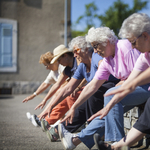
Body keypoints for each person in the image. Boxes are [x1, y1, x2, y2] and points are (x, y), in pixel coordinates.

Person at [57, 26, 150, 150]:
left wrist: (123, 84)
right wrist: (73, 107)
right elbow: (92, 86)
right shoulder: (107, 61)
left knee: (110, 94)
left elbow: (137, 77)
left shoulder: (125, 47)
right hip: (129, 90)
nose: (94, 51)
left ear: (106, 42)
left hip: (144, 86)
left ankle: (114, 142)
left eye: (95, 46)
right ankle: (76, 140)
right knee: (109, 107)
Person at [39, 36, 120, 146]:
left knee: (91, 94)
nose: (75, 55)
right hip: (97, 88)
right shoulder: (82, 66)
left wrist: (73, 106)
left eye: (76, 51)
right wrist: (49, 106)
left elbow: (103, 70)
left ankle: (95, 133)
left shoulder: (96, 57)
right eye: (73, 52)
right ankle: (63, 128)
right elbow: (67, 88)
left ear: (86, 49)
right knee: (83, 102)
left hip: (113, 85)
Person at [93, 12, 150, 150]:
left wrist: (130, 85)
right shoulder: (144, 57)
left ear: (145, 35)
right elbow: (129, 83)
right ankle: (117, 146)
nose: (132, 47)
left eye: (133, 42)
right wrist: (109, 105)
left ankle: (117, 146)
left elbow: (133, 83)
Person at [22, 45, 85, 138]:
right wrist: (45, 100)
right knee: (63, 98)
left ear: (66, 55)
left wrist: (78, 86)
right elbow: (57, 84)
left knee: (69, 95)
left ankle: (76, 122)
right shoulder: (67, 68)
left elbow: (86, 76)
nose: (58, 63)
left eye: (59, 60)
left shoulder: (78, 61)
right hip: (79, 89)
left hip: (87, 88)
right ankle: (46, 121)